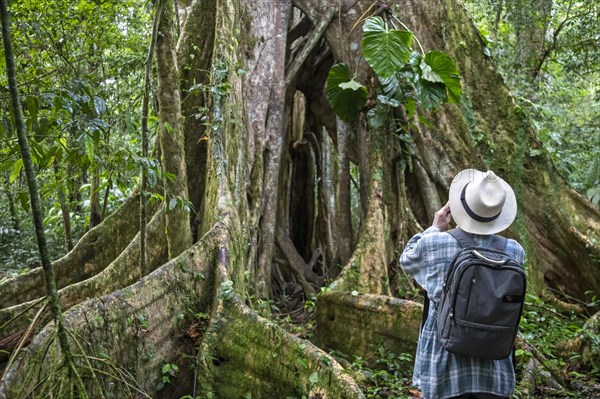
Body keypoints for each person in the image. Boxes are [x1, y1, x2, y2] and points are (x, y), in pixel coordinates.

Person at [400, 169, 525, 399]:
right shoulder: (514, 251)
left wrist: (435, 227)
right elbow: (510, 299)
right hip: (495, 370)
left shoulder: (435, 245)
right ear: (497, 215)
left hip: (444, 367)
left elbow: (407, 259)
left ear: (459, 207)